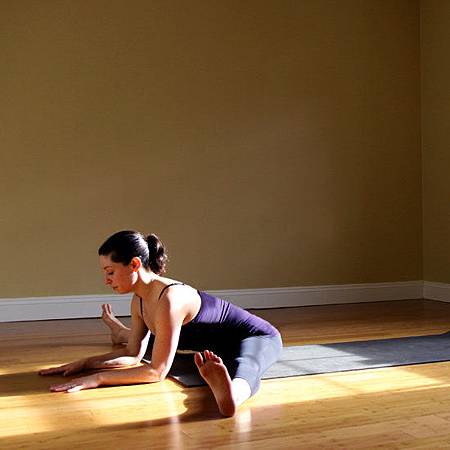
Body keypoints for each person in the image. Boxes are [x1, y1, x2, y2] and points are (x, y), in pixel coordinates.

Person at [40, 230, 282, 416]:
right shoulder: (139, 301)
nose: (106, 280)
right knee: (155, 341)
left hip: (256, 337)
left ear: (134, 264)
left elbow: (156, 371)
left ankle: (232, 398)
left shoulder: (170, 297)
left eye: (110, 271)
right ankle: (120, 332)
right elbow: (133, 355)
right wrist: (85, 364)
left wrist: (98, 378)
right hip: (214, 351)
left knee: (245, 365)